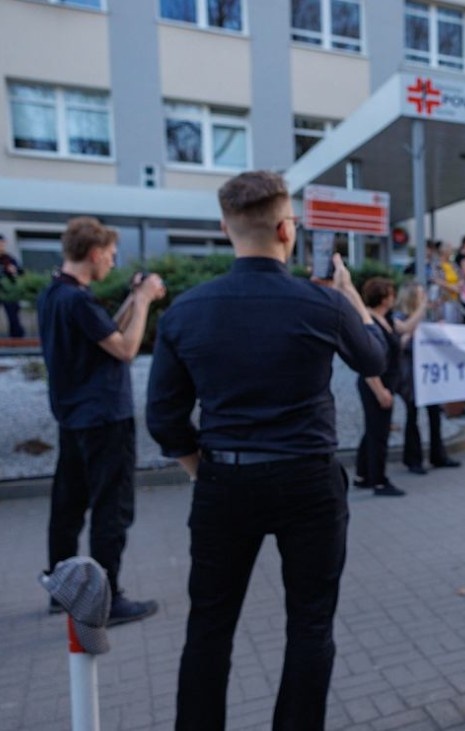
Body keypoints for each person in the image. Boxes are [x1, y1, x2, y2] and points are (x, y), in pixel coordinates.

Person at [146, 170, 388, 730]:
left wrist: (197, 468)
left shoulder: (187, 309)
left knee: (209, 624)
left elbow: (164, 414)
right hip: (308, 483)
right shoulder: (319, 305)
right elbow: (375, 358)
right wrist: (347, 291)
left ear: (226, 228)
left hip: (224, 482)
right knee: (309, 624)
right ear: (287, 229)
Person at [38, 217, 167, 624]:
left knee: (68, 504)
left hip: (74, 418)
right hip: (105, 419)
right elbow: (126, 348)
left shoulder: (56, 293)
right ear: (94, 254)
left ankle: (62, 589)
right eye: (110, 256)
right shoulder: (78, 301)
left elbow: (106, 334)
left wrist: (131, 296)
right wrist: (145, 300)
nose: (112, 263)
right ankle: (106, 600)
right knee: (112, 508)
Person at [394, 281, 461, 474]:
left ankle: (438, 455)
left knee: (435, 414)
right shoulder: (400, 317)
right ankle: (413, 459)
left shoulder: (426, 318)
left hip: (428, 375)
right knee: (412, 416)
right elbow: (403, 338)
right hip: (410, 376)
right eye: (420, 295)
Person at [355, 276, 405, 497]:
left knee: (372, 431)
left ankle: (363, 474)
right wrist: (380, 391)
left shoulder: (388, 319)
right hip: (376, 383)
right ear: (383, 298)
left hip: (387, 382)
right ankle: (379, 481)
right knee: (379, 433)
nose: (394, 297)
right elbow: (365, 361)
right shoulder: (370, 322)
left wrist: (424, 307)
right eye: (391, 294)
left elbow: (404, 331)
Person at [0, 233, 25, 338]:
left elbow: (20, 274)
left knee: (13, 315)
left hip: (8, 292)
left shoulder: (9, 259)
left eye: (2, 244)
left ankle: (17, 337)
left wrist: (14, 272)